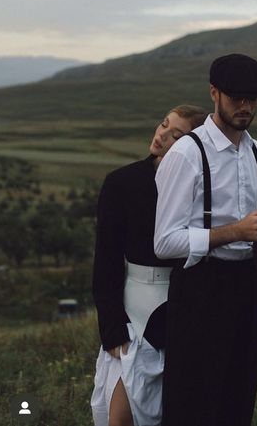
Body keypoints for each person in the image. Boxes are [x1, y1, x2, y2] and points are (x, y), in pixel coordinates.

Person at [154, 53, 257, 426]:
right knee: (194, 400)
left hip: (247, 289)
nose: (245, 107)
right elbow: (164, 242)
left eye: (253, 99)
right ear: (214, 94)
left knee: (239, 395)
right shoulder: (188, 153)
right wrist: (234, 232)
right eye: (237, 97)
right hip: (200, 290)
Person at [90, 105, 206, 426]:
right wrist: (112, 328)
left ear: (190, 145)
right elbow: (107, 260)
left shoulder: (198, 189)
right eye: (163, 124)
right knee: (120, 417)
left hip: (182, 308)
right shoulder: (121, 183)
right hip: (133, 308)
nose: (162, 135)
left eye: (176, 134)